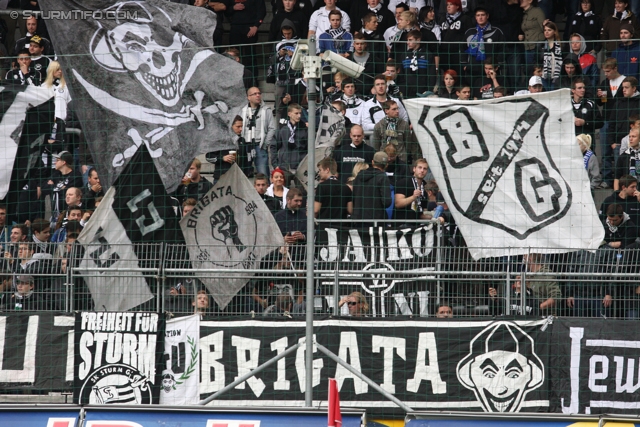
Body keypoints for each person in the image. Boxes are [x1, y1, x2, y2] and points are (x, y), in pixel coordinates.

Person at [598, 58, 627, 186]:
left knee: (621, 150)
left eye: (608, 71)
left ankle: (621, 179)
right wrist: (599, 96)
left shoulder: (625, 82)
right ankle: (607, 178)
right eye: (604, 71)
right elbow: (601, 103)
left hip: (621, 121)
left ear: (615, 69)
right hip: (607, 119)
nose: (606, 74)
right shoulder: (605, 83)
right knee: (605, 151)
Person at [266, 22, 301, 121]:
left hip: (296, 79)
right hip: (281, 79)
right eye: (285, 33)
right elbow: (270, 60)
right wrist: (279, 55)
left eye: (289, 33)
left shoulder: (299, 43)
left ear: (293, 31)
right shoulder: (278, 44)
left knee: (296, 107)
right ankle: (278, 132)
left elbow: (304, 59)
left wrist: (294, 56)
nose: (287, 35)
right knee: (279, 108)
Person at [394, 158, 444, 227]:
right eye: (420, 167)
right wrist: (413, 197)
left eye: (425, 168)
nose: (422, 170)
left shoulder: (425, 186)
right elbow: (398, 203)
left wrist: (434, 217)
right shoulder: (403, 182)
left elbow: (420, 214)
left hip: (417, 226)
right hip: (402, 224)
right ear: (414, 169)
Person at [40, 151, 83, 230]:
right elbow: (44, 188)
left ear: (64, 162)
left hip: (68, 214)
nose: (55, 162)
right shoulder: (56, 174)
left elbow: (67, 192)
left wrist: (53, 187)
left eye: (57, 160)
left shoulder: (75, 175)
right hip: (55, 216)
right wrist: (58, 188)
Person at [463, 7, 505, 83]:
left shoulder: (496, 31)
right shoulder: (469, 32)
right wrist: (465, 64)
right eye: (478, 15)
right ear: (475, 17)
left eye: (482, 15)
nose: (480, 17)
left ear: (487, 16)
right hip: (472, 69)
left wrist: (497, 65)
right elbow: (463, 49)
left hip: (490, 70)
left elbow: (502, 50)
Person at [241, 87, 276, 177]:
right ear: (248, 97)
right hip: (245, 146)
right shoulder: (242, 111)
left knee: (263, 174)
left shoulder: (266, 110)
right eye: (255, 94)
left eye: (259, 93)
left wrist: (265, 144)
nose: (258, 95)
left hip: (260, 146)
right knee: (242, 174)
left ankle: (266, 191)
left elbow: (272, 128)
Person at [351, 151, 392, 225]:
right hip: (376, 221)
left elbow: (353, 197)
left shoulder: (359, 176)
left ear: (372, 162)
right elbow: (387, 202)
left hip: (358, 220)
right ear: (386, 165)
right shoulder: (382, 177)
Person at [227, 0, 266, 76]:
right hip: (235, 27)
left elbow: (262, 11)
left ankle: (253, 81)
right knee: (234, 55)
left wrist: (256, 26)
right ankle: (235, 79)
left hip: (250, 28)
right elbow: (226, 11)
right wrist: (233, 8)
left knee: (250, 56)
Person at [396, 29, 436, 97]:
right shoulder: (404, 55)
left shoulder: (428, 55)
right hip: (406, 91)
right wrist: (402, 88)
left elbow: (432, 74)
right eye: (407, 40)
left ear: (418, 40)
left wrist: (429, 90)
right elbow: (401, 74)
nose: (408, 42)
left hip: (422, 91)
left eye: (410, 40)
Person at [271, 104, 308, 174]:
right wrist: (275, 164)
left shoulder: (305, 129)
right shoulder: (282, 128)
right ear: (289, 114)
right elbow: (274, 146)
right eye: (296, 113)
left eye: (300, 113)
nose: (299, 116)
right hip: (284, 166)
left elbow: (309, 148)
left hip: (301, 167)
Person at [438, 0, 473, 75]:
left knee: (459, 75)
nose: (448, 7)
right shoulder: (443, 19)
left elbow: (469, 35)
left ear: (457, 6)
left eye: (451, 4)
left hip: (458, 53)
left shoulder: (465, 18)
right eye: (447, 5)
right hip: (445, 53)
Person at [274, 188, 307, 264]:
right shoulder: (277, 217)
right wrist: (283, 239)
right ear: (288, 200)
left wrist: (303, 237)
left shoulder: (305, 216)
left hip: (301, 258)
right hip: (281, 258)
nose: (299, 203)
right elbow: (271, 236)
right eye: (296, 201)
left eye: (300, 201)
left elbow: (313, 235)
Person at [315, 157, 353, 222]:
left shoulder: (322, 186)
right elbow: (350, 210)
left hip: (324, 225)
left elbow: (316, 209)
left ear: (327, 170)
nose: (319, 173)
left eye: (320, 170)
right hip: (341, 226)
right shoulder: (346, 187)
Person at [43, 61, 71, 147]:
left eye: (61, 69)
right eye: (57, 69)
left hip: (62, 123)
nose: (60, 71)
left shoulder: (66, 86)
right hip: (48, 122)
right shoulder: (44, 86)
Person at [519, 0, 545, 84]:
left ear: (530, 1)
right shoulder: (523, 14)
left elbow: (544, 28)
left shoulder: (537, 11)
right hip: (527, 47)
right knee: (529, 72)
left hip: (537, 47)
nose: (520, 1)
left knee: (537, 71)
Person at [540, 21, 562, 91]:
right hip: (544, 76)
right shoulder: (541, 45)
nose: (546, 32)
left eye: (549, 30)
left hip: (556, 77)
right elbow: (538, 60)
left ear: (555, 32)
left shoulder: (561, 46)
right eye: (545, 30)